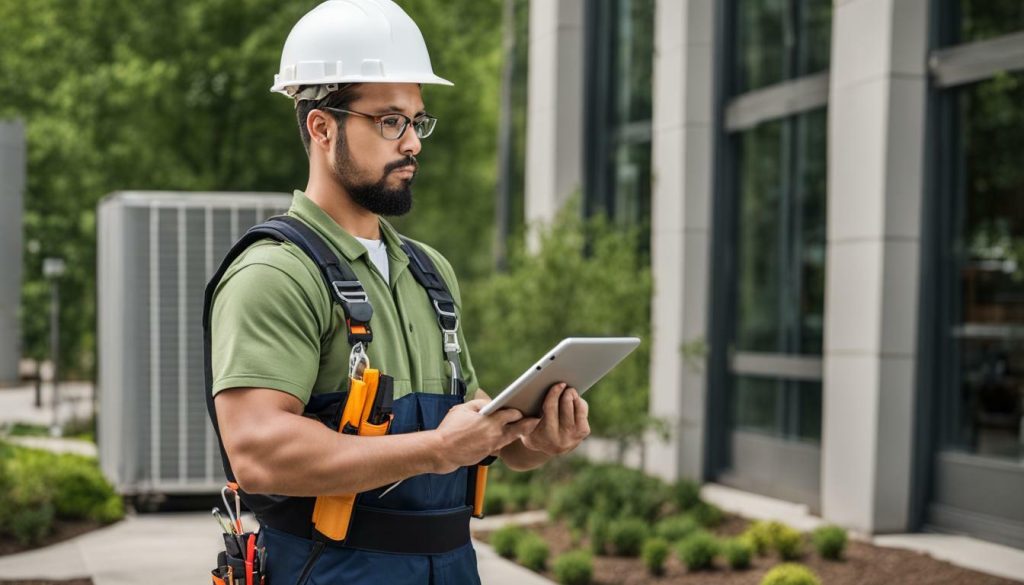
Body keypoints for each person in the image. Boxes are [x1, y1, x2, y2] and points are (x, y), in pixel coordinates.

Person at [205, 1, 591, 583]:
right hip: (329, 570)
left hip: (452, 568)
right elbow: (258, 453)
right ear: (322, 125)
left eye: (417, 121)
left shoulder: (429, 271)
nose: (412, 142)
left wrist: (534, 439)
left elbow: (474, 436)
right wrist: (437, 449)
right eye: (390, 121)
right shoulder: (276, 274)